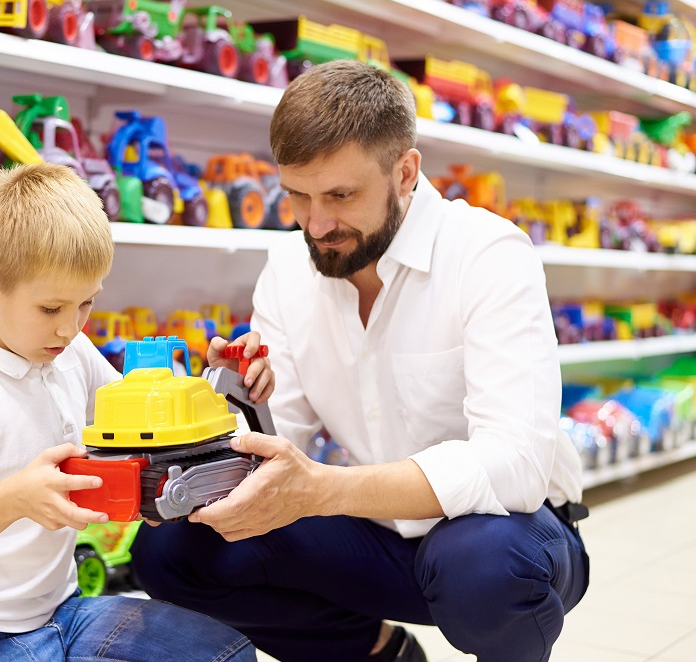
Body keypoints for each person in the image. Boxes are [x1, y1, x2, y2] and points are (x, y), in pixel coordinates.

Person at [131, 60, 590, 662]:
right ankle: (374, 652)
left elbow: (515, 467)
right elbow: (277, 446)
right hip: (370, 535)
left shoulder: (488, 255)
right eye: (297, 196)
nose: (316, 224)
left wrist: (324, 489)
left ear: (405, 172)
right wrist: (234, 413)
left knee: (484, 566)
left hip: (507, 539)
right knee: (169, 553)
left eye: (341, 195)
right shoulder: (290, 270)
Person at [0, 163, 272, 662]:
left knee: (229, 655)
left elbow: (144, 430)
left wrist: (216, 385)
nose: (70, 328)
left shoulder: (70, 351)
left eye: (86, 304)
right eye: (50, 309)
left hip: (61, 611)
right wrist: (14, 500)